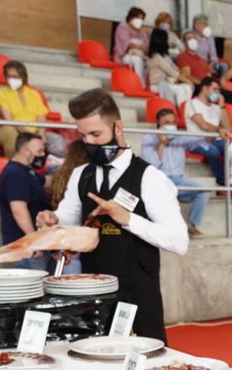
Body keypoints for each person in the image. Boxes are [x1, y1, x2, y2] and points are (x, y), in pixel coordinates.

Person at [35, 89, 189, 341]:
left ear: (118, 127)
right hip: (93, 297)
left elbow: (180, 241)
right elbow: (68, 219)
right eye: (84, 136)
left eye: (96, 134)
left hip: (139, 297)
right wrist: (51, 223)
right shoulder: (80, 174)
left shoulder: (151, 178)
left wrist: (128, 218)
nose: (91, 143)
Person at [140, 105, 211, 238]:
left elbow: (204, 138)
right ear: (158, 124)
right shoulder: (149, 138)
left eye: (173, 122)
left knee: (204, 190)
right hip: (158, 181)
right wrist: (161, 143)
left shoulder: (179, 137)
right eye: (167, 123)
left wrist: (215, 131)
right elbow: (152, 167)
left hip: (178, 181)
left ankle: (191, 225)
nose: (171, 126)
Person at [0, 133, 50, 269]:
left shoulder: (27, 172)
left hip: (32, 247)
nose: (43, 154)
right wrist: (33, 240)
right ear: (26, 151)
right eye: (39, 151)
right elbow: (18, 210)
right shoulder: (15, 174)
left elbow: (47, 182)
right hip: (25, 250)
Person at [0, 61, 64, 160]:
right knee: (29, 145)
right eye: (9, 76)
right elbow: (8, 120)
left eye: (15, 77)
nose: (12, 79)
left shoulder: (34, 93)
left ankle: (57, 170)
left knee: (58, 142)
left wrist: (41, 133)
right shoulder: (2, 93)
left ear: (23, 77)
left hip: (37, 131)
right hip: (18, 132)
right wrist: (29, 135)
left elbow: (41, 116)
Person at [184, 77, 232, 186]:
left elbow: (228, 128)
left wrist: (222, 106)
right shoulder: (192, 103)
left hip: (214, 140)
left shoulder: (216, 107)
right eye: (214, 89)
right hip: (196, 141)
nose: (217, 92)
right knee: (214, 151)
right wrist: (219, 129)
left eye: (218, 90)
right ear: (205, 88)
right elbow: (204, 125)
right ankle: (223, 182)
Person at [146, 27, 195, 108]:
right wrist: (187, 80)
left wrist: (185, 78)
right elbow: (172, 72)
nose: (168, 41)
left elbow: (176, 69)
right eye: (166, 39)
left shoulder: (164, 56)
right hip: (156, 85)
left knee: (187, 87)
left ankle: (185, 110)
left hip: (167, 82)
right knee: (180, 90)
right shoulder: (156, 57)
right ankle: (179, 111)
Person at [112, 7, 149, 82]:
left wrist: (142, 48)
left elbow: (147, 48)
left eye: (142, 19)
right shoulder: (123, 26)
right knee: (137, 59)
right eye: (138, 18)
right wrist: (140, 46)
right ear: (131, 17)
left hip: (142, 55)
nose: (140, 21)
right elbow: (128, 44)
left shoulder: (142, 32)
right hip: (125, 55)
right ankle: (140, 83)